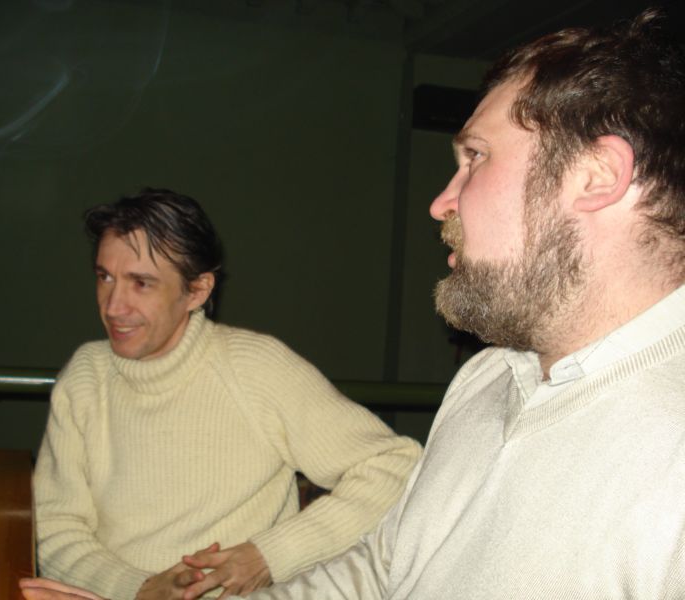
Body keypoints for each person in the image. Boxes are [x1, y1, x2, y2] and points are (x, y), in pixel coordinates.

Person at [222, 7, 685, 598]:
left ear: (596, 175)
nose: (442, 203)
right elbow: (383, 570)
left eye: (476, 157)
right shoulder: (488, 375)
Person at [20, 188, 420, 600]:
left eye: (141, 283)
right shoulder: (85, 375)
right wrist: (140, 590)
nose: (113, 306)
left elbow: (395, 467)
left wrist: (271, 556)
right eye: (105, 277)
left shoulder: (256, 368)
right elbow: (55, 527)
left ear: (197, 291)